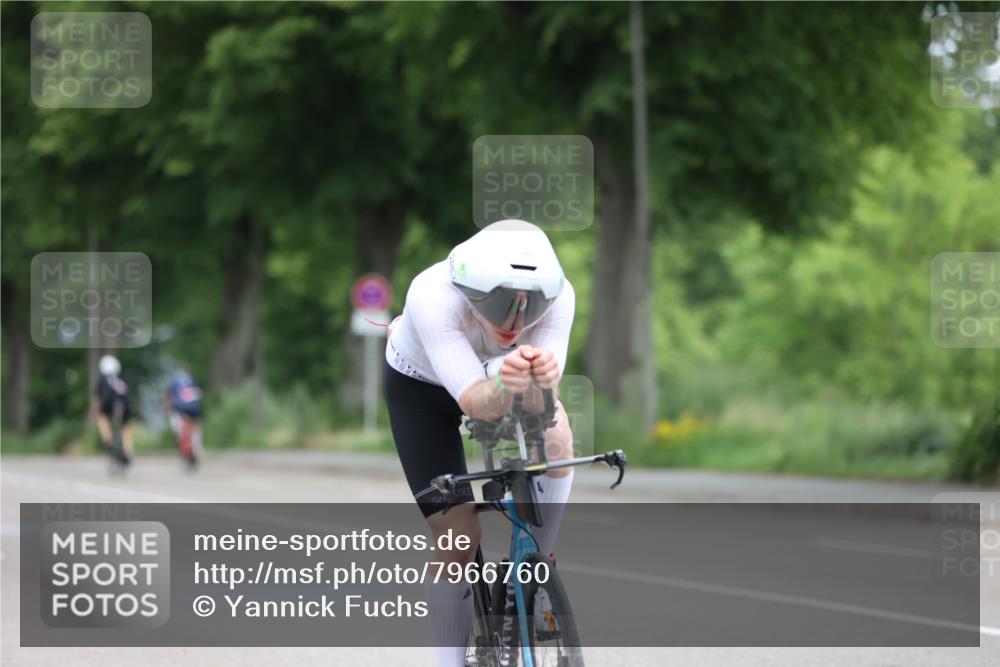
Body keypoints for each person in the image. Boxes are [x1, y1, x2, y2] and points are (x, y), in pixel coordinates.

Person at [383, 219, 575, 667]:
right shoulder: (432, 295)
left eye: (530, 307)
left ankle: (534, 568)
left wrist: (539, 383)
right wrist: (510, 382)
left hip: (501, 375)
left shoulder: (561, 296)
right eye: (502, 302)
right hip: (423, 390)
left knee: (558, 439)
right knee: (458, 536)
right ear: (471, 290)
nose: (515, 321)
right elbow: (476, 402)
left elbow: (541, 401)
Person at [92, 354, 133, 465]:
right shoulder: (121, 377)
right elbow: (127, 392)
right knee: (125, 427)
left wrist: (96, 411)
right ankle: (128, 452)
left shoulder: (103, 379)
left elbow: (97, 398)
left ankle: (108, 440)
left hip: (108, 402)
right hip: (123, 403)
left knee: (102, 418)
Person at [165, 368, 204, 468]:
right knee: (195, 430)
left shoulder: (174, 382)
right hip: (195, 408)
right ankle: (194, 450)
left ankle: (185, 451)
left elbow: (170, 397)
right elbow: (198, 393)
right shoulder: (193, 380)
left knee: (181, 432)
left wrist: (167, 409)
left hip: (180, 408)